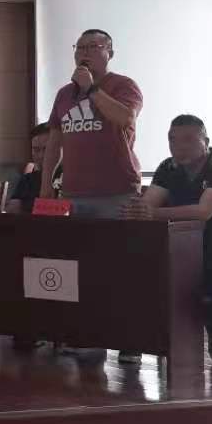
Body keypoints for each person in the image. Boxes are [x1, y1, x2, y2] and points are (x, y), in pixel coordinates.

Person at [123, 116, 212, 367]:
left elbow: (203, 212)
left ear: (206, 142)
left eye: (188, 140)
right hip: (184, 254)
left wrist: (151, 213)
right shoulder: (168, 167)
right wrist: (136, 210)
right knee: (136, 277)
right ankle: (136, 342)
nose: (179, 147)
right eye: (172, 140)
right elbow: (148, 205)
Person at [40, 28, 144, 362]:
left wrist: (91, 88)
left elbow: (125, 117)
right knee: (80, 270)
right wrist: (46, 191)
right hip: (73, 194)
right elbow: (53, 144)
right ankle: (88, 334)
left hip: (117, 193)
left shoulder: (123, 86)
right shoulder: (63, 95)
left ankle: (130, 339)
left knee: (121, 269)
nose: (83, 52)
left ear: (109, 52)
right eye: (79, 47)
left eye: (92, 46)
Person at [6, 123, 64, 214]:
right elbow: (12, 207)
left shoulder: (68, 180)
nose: (41, 156)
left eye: (46, 150)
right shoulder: (27, 180)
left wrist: (25, 206)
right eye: (36, 150)